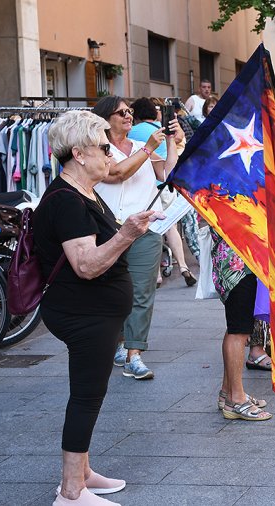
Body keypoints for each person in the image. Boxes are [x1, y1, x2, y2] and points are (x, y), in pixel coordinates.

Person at [35, 111, 162, 505]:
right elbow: (86, 265)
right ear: (78, 153)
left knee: (89, 393)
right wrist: (126, 234)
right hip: (82, 312)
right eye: (103, 147)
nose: (111, 154)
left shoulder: (83, 193)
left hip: (95, 311)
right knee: (86, 397)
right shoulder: (67, 201)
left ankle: (84, 473)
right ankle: (71, 492)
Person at [93, 96, 179, 380]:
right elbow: (117, 174)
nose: (129, 116)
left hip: (145, 227)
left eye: (130, 111)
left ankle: (134, 354)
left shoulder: (143, 148)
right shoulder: (98, 150)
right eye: (122, 112)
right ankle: (117, 343)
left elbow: (168, 173)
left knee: (142, 291)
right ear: (107, 119)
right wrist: (149, 148)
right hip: (110, 228)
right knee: (112, 291)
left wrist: (171, 142)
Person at [128, 98, 197, 289]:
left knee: (149, 228)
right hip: (169, 182)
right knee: (170, 226)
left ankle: (156, 273)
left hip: (148, 186)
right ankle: (183, 266)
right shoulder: (164, 128)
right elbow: (181, 140)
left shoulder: (133, 133)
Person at [210, 230, 272, 421]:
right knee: (239, 330)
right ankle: (235, 400)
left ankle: (227, 392)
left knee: (237, 327)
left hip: (238, 257)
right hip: (238, 261)